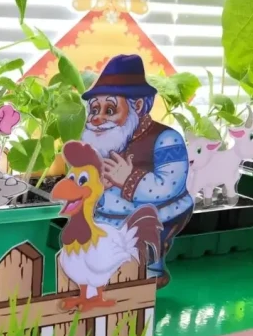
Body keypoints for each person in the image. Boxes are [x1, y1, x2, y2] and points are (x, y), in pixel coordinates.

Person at [80, 54, 193, 287]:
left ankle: (151, 270)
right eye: (94, 110)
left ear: (138, 106)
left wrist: (129, 179)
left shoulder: (166, 139)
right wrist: (96, 184)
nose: (97, 119)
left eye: (109, 110)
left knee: (143, 244)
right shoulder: (102, 141)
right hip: (107, 215)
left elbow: (169, 185)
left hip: (156, 213)